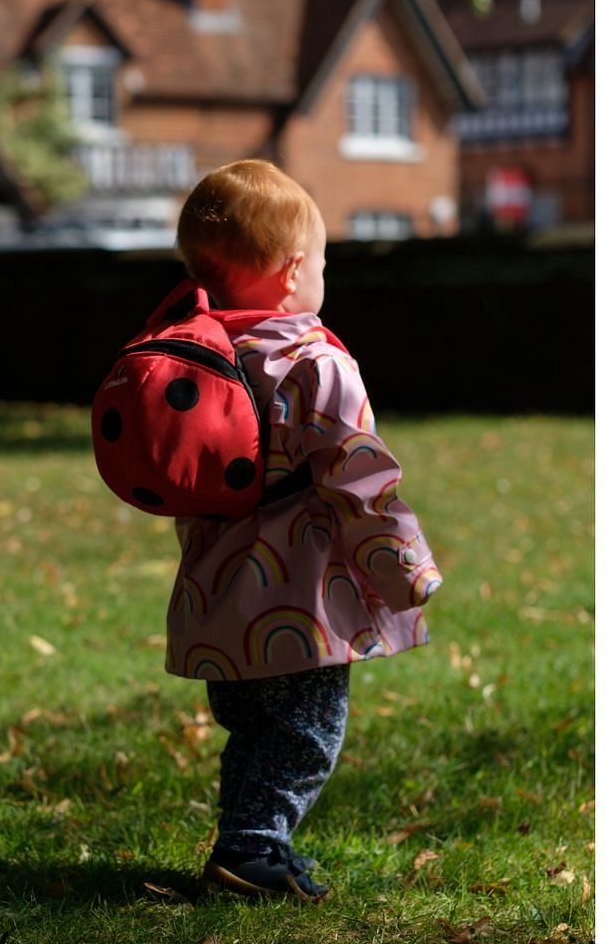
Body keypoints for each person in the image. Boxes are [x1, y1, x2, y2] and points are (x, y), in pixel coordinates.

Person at [167, 160, 442, 902]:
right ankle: (253, 851)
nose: (324, 273)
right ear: (292, 272)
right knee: (302, 737)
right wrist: (404, 570)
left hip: (217, 600)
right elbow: (361, 478)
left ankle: (245, 846)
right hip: (297, 605)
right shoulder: (315, 364)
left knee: (255, 733)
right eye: (322, 260)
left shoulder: (196, 355)